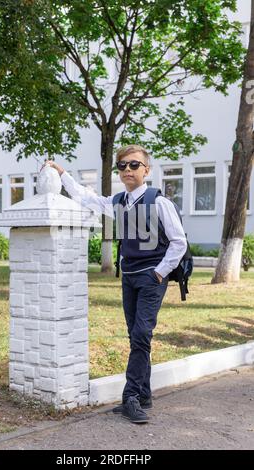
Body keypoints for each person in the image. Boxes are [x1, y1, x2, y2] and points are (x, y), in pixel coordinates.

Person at [41, 144, 187, 424]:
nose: (127, 170)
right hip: (129, 277)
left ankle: (130, 397)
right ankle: (144, 393)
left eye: (134, 165)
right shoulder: (118, 201)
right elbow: (86, 197)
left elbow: (179, 242)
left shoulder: (159, 202)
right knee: (136, 336)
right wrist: (63, 174)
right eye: (122, 166)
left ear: (146, 169)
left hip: (151, 278)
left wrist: (159, 272)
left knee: (142, 334)